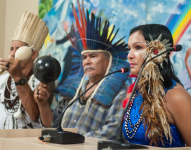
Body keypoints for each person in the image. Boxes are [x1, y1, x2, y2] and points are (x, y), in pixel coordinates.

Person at [34, 1, 130, 140]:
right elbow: (53, 126)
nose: (87, 61)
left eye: (93, 56)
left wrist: (74, 141)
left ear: (108, 60)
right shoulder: (74, 90)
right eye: (84, 57)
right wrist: (42, 105)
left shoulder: (120, 93)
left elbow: (111, 133)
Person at [122, 24, 191, 147]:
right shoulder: (138, 91)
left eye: (137, 47)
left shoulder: (176, 96)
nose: (129, 55)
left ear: (157, 52)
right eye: (129, 48)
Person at [0, 11, 49, 129]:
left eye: (18, 49)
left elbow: (35, 115)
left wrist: (18, 77)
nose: (12, 53)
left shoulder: (41, 83)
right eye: (11, 48)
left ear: (33, 54)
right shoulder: (2, 79)